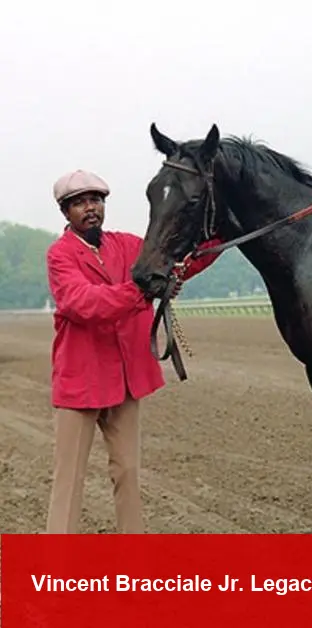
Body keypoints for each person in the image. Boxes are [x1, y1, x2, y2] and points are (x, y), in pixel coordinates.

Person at [44, 169, 220, 533]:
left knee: (128, 473)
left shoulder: (126, 245)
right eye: (79, 203)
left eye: (96, 200)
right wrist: (142, 291)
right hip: (82, 382)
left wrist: (221, 237)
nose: (90, 208)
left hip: (126, 380)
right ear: (65, 212)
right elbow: (83, 303)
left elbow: (174, 263)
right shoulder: (60, 255)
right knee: (69, 480)